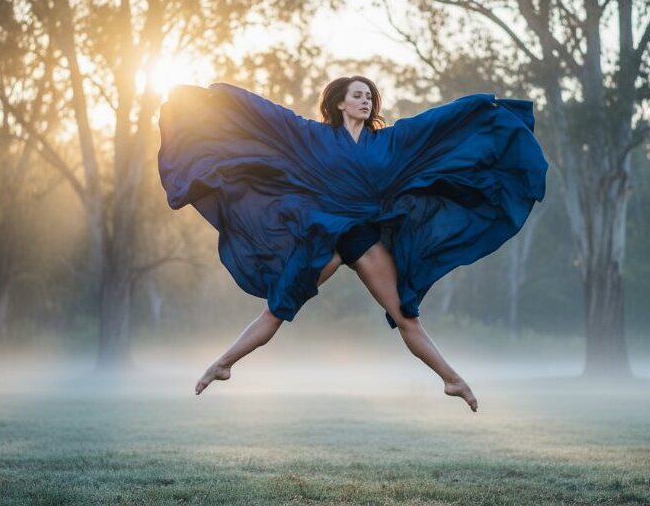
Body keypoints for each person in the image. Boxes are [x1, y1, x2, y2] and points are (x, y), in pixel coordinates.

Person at [157, 76, 549, 413]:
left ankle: (452, 380)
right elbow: (268, 117)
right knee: (277, 308)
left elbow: (436, 125)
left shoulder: (390, 142)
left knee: (405, 316)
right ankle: (222, 364)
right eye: (359, 95)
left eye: (370, 97)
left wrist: (482, 107)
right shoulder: (311, 135)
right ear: (340, 102)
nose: (366, 101)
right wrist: (217, 96)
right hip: (322, 234)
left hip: (362, 236)